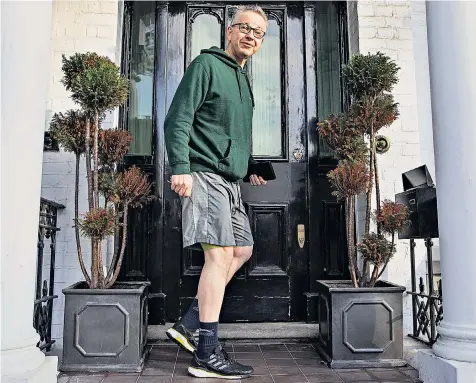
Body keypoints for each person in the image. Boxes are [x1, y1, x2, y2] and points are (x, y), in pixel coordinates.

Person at [163, 5, 269, 380]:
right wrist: (181, 167)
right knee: (219, 254)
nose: (252, 36)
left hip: (230, 181)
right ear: (229, 31)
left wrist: (249, 164)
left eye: (259, 32)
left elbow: (230, 134)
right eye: (246, 28)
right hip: (204, 174)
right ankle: (206, 353)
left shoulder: (243, 81)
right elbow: (178, 118)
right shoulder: (205, 67)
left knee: (242, 249)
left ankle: (191, 323)